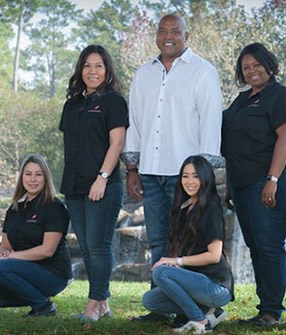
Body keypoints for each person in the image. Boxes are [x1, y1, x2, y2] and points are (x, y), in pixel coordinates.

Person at [121, 14, 223, 321]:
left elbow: (210, 122)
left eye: (175, 32)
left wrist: (204, 173)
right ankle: (163, 306)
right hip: (150, 172)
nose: (168, 36)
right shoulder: (143, 73)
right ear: (156, 36)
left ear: (186, 35)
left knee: (187, 239)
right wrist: (132, 168)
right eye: (162, 31)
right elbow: (135, 123)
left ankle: (190, 305)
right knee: (157, 239)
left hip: (187, 176)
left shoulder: (203, 72)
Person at [221, 42, 286, 326]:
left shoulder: (281, 97)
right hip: (246, 182)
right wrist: (232, 186)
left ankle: (272, 313)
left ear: (269, 65)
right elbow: (233, 142)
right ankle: (265, 309)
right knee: (256, 245)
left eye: (257, 65)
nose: (251, 71)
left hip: (276, 178)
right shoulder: (242, 100)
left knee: (269, 244)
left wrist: (272, 180)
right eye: (246, 67)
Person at [59, 44, 129, 321]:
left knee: (99, 245)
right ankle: (104, 305)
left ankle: (92, 306)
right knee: (87, 246)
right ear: (81, 69)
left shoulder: (114, 102)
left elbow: (118, 143)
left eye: (98, 65)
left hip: (103, 185)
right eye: (87, 65)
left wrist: (102, 178)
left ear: (107, 70)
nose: (93, 71)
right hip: (74, 186)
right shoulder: (71, 104)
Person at [142, 156, 234, 333]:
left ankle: (198, 320)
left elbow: (214, 255)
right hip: (197, 285)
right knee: (151, 300)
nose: (189, 181)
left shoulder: (211, 209)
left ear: (205, 178)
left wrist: (177, 262)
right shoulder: (183, 211)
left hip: (216, 286)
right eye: (185, 176)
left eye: (195, 176)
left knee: (162, 272)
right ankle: (210, 312)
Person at [0, 154, 71, 316]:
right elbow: (5, 247)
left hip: (52, 275)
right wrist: (4, 255)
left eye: (38, 174)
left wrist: (11, 257)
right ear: (22, 178)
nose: (33, 179)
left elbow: (46, 251)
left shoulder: (54, 207)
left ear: (45, 178)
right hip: (21, 273)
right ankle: (34, 296)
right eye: (28, 174)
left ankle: (43, 306)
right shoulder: (14, 209)